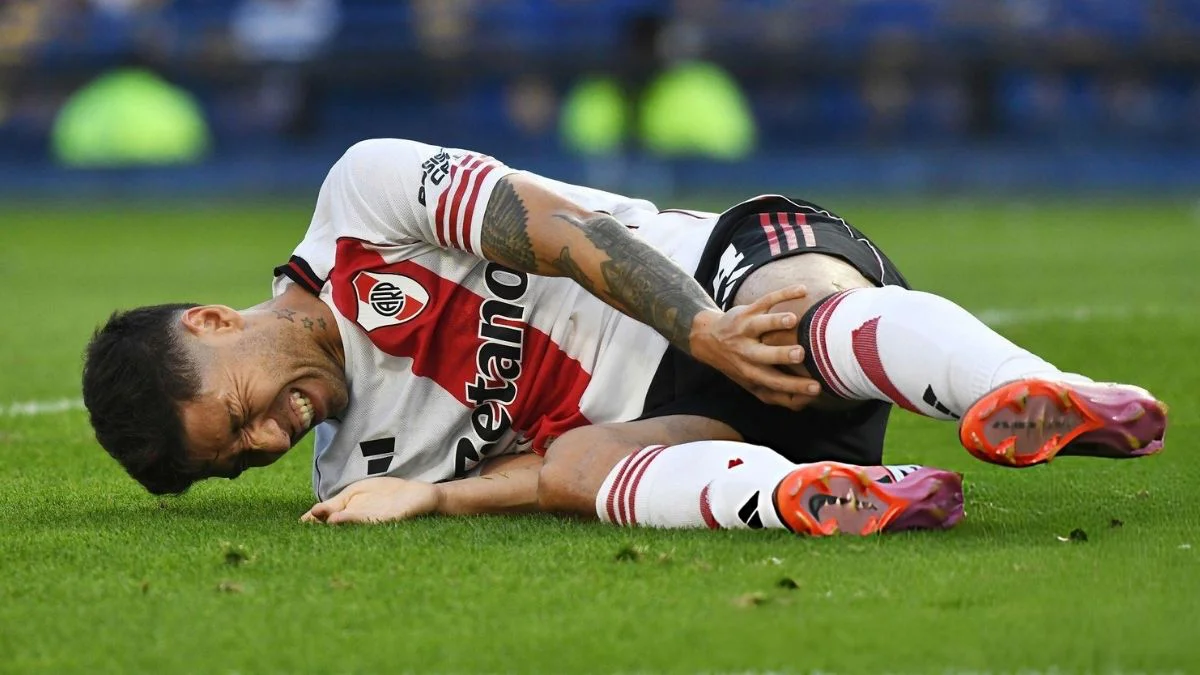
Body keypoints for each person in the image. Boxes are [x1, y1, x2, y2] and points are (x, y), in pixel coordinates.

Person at [82, 139, 1168, 536]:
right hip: (705, 435)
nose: (269, 441)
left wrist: (706, 327)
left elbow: (558, 230)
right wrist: (434, 498)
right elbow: (544, 477)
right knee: (578, 464)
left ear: (212, 322)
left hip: (719, 276)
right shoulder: (360, 472)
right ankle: (813, 497)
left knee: (794, 317)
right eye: (242, 460)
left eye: (238, 415)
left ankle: (1038, 392)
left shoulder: (359, 200)